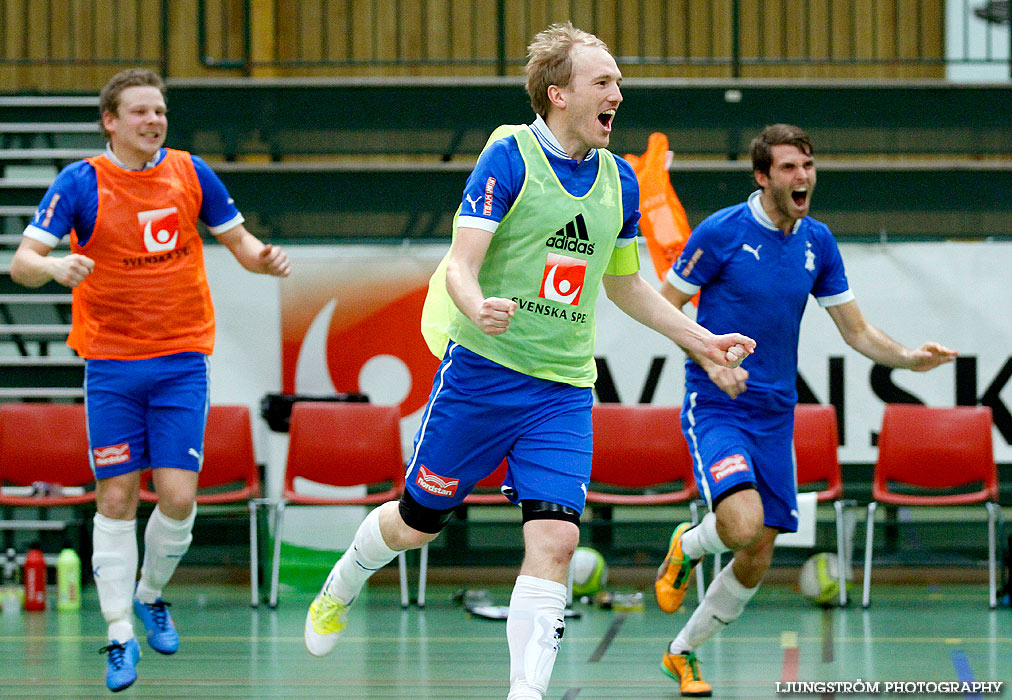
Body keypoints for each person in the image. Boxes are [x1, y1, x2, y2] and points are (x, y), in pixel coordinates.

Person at [303, 22, 755, 700]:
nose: (618, 95)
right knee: (417, 524)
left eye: (619, 83)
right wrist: (477, 302)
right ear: (558, 94)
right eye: (603, 82)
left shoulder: (620, 181)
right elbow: (461, 262)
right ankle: (344, 579)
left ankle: (526, 694)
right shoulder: (510, 157)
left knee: (556, 544)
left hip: (563, 389)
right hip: (482, 372)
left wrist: (703, 339)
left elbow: (628, 287)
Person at [9, 68, 291, 693]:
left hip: (180, 360)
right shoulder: (80, 182)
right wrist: (55, 270)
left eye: (159, 111)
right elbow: (22, 262)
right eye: (140, 111)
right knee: (115, 498)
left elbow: (238, 242)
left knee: (179, 497)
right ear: (111, 121)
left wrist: (263, 259)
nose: (153, 120)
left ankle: (150, 593)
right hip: (110, 365)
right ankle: (117, 634)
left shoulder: (191, 173)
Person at [653, 123, 957, 697]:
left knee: (760, 551)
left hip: (775, 413)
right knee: (741, 525)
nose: (803, 177)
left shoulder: (818, 241)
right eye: (789, 167)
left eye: (808, 166)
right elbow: (665, 305)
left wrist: (911, 359)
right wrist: (712, 359)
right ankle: (687, 545)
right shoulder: (722, 232)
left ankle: (682, 652)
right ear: (763, 176)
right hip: (717, 402)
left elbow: (858, 331)